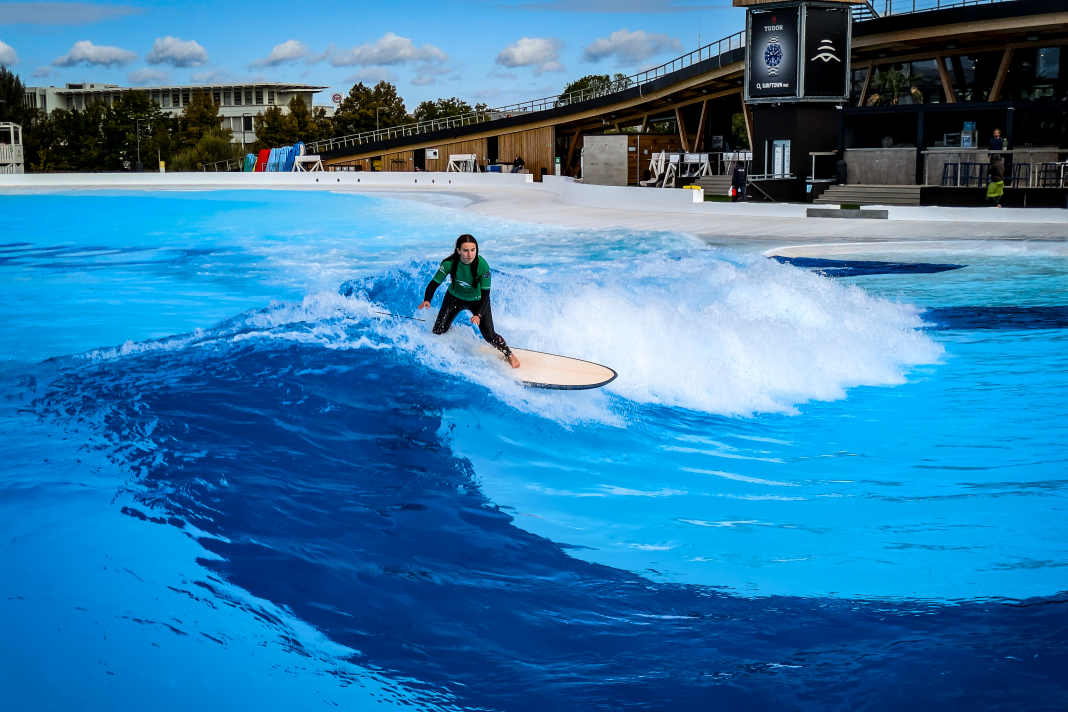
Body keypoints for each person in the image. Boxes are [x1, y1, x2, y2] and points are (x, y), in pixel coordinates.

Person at [418, 234, 520, 368]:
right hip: (454, 298)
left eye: (473, 250)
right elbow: (434, 283)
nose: (469, 254)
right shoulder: (449, 263)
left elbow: (486, 295)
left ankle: (509, 354)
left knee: (489, 335)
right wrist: (427, 299)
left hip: (478, 301)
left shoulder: (482, 266)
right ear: (458, 250)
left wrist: (478, 315)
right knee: (438, 330)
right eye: (465, 250)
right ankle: (449, 332)